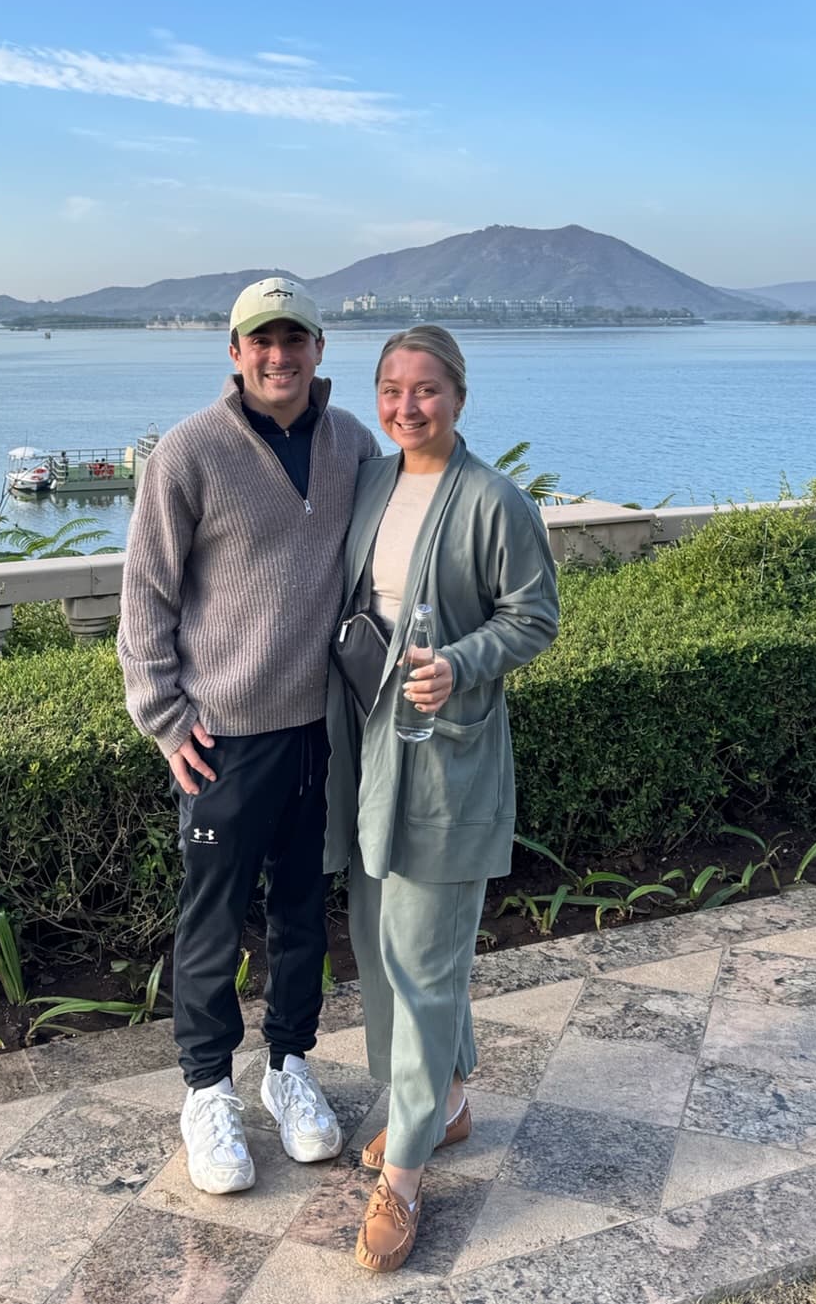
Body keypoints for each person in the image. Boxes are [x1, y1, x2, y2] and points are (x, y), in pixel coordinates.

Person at [119, 277, 380, 1195]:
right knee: (213, 919)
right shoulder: (189, 453)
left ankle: (290, 1068)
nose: (279, 356)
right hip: (222, 736)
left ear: (318, 348)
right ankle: (205, 1090)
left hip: (318, 727)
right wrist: (161, 713)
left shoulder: (353, 443)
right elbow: (145, 591)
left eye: (294, 338)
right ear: (234, 353)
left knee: (304, 911)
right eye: (260, 341)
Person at [324, 325, 559, 1274]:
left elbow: (533, 615)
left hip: (445, 750)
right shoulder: (374, 482)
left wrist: (460, 665)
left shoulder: (495, 501)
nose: (405, 406)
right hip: (368, 747)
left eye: (425, 390)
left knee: (422, 961)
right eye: (390, 388)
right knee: (386, 940)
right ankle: (449, 1103)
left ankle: (408, 1172)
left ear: (458, 396)